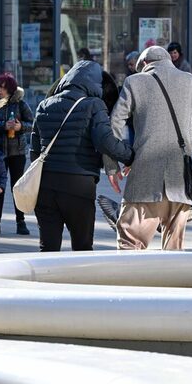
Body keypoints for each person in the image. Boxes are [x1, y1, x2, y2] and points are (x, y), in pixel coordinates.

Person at [106, 46, 192, 251]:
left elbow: (114, 124)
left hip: (145, 180)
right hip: (180, 183)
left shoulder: (134, 82)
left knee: (130, 244)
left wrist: (114, 164)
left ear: (144, 64)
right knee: (173, 250)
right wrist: (183, 150)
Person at [30, 60, 134, 252]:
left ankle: (48, 281)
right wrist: (131, 156)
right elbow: (106, 141)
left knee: (48, 248)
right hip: (78, 185)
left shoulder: (44, 104)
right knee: (82, 246)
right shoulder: (94, 105)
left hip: (45, 186)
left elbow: (34, 151)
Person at [0, 72, 34, 235]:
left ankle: (21, 221)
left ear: (10, 90)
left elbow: (32, 124)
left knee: (17, 187)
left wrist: (21, 128)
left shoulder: (20, 104)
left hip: (17, 151)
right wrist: (3, 125)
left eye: (2, 88)